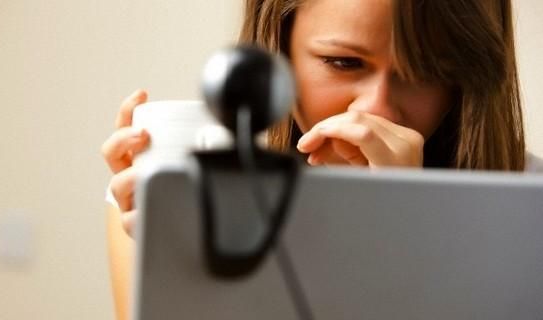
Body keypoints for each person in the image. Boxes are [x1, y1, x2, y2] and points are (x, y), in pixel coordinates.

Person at [100, 0, 543, 318]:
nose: (377, 110)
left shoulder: (527, 206)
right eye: (344, 62)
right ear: (279, 46)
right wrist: (178, 261)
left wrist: (406, 236)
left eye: (426, 72)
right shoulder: (171, 192)